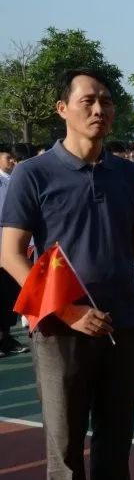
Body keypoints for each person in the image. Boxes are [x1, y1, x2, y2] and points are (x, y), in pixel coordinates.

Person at [0, 69, 134, 480]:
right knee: (66, 436)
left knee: (117, 431)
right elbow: (10, 255)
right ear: (62, 109)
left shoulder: (124, 174)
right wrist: (68, 309)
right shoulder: (34, 174)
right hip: (59, 329)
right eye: (87, 100)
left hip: (122, 322)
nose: (99, 110)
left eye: (106, 101)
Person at [0, 143, 29, 357]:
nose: (11, 161)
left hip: (10, 248)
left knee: (9, 295)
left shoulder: (13, 181)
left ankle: (5, 336)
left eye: (13, 158)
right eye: (7, 157)